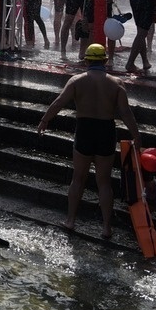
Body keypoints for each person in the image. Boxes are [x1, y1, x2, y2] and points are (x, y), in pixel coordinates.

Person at [37, 43, 142, 239]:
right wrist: (136, 135)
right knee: (104, 182)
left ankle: (70, 221)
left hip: (84, 130)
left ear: (86, 61)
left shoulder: (76, 81)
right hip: (106, 132)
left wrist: (45, 120)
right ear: (105, 61)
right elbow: (125, 113)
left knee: (78, 179)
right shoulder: (117, 83)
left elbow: (59, 102)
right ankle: (106, 228)